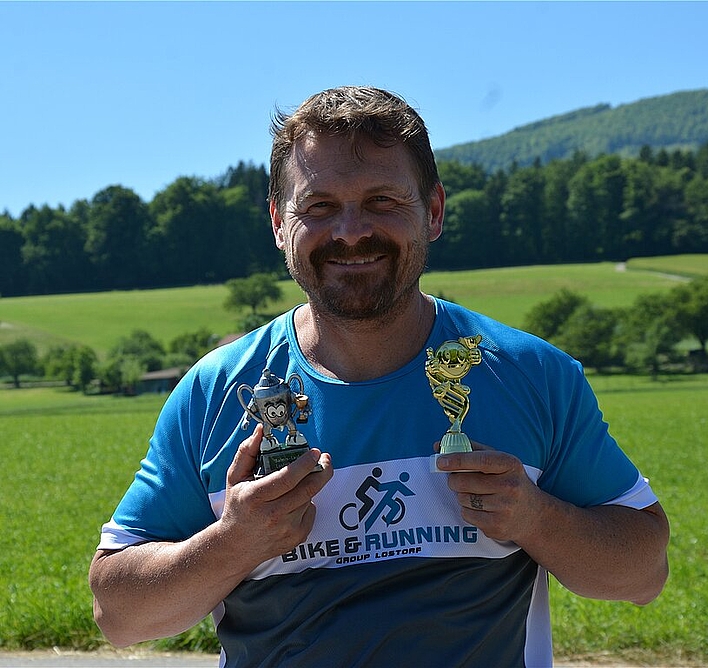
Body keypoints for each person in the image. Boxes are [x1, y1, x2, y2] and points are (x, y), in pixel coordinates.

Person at [89, 86, 669, 667]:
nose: (350, 231)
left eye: (382, 201)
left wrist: (537, 518)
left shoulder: (530, 374)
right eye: (318, 207)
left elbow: (643, 572)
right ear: (278, 223)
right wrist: (234, 544)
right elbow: (119, 614)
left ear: (434, 211)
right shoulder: (215, 393)